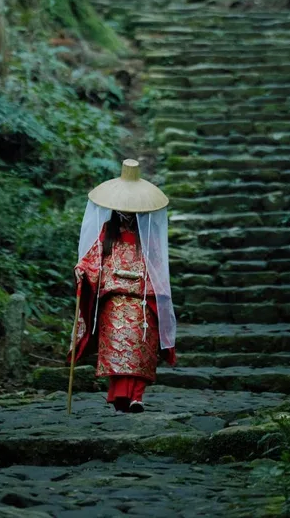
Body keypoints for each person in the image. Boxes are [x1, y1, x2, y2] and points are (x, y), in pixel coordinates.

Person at [68, 159, 177, 413]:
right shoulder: (108, 232)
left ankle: (136, 396)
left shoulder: (147, 235)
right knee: (116, 347)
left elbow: (157, 266)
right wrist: (83, 269)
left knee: (140, 349)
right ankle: (118, 395)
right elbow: (94, 257)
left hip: (141, 301)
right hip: (114, 301)